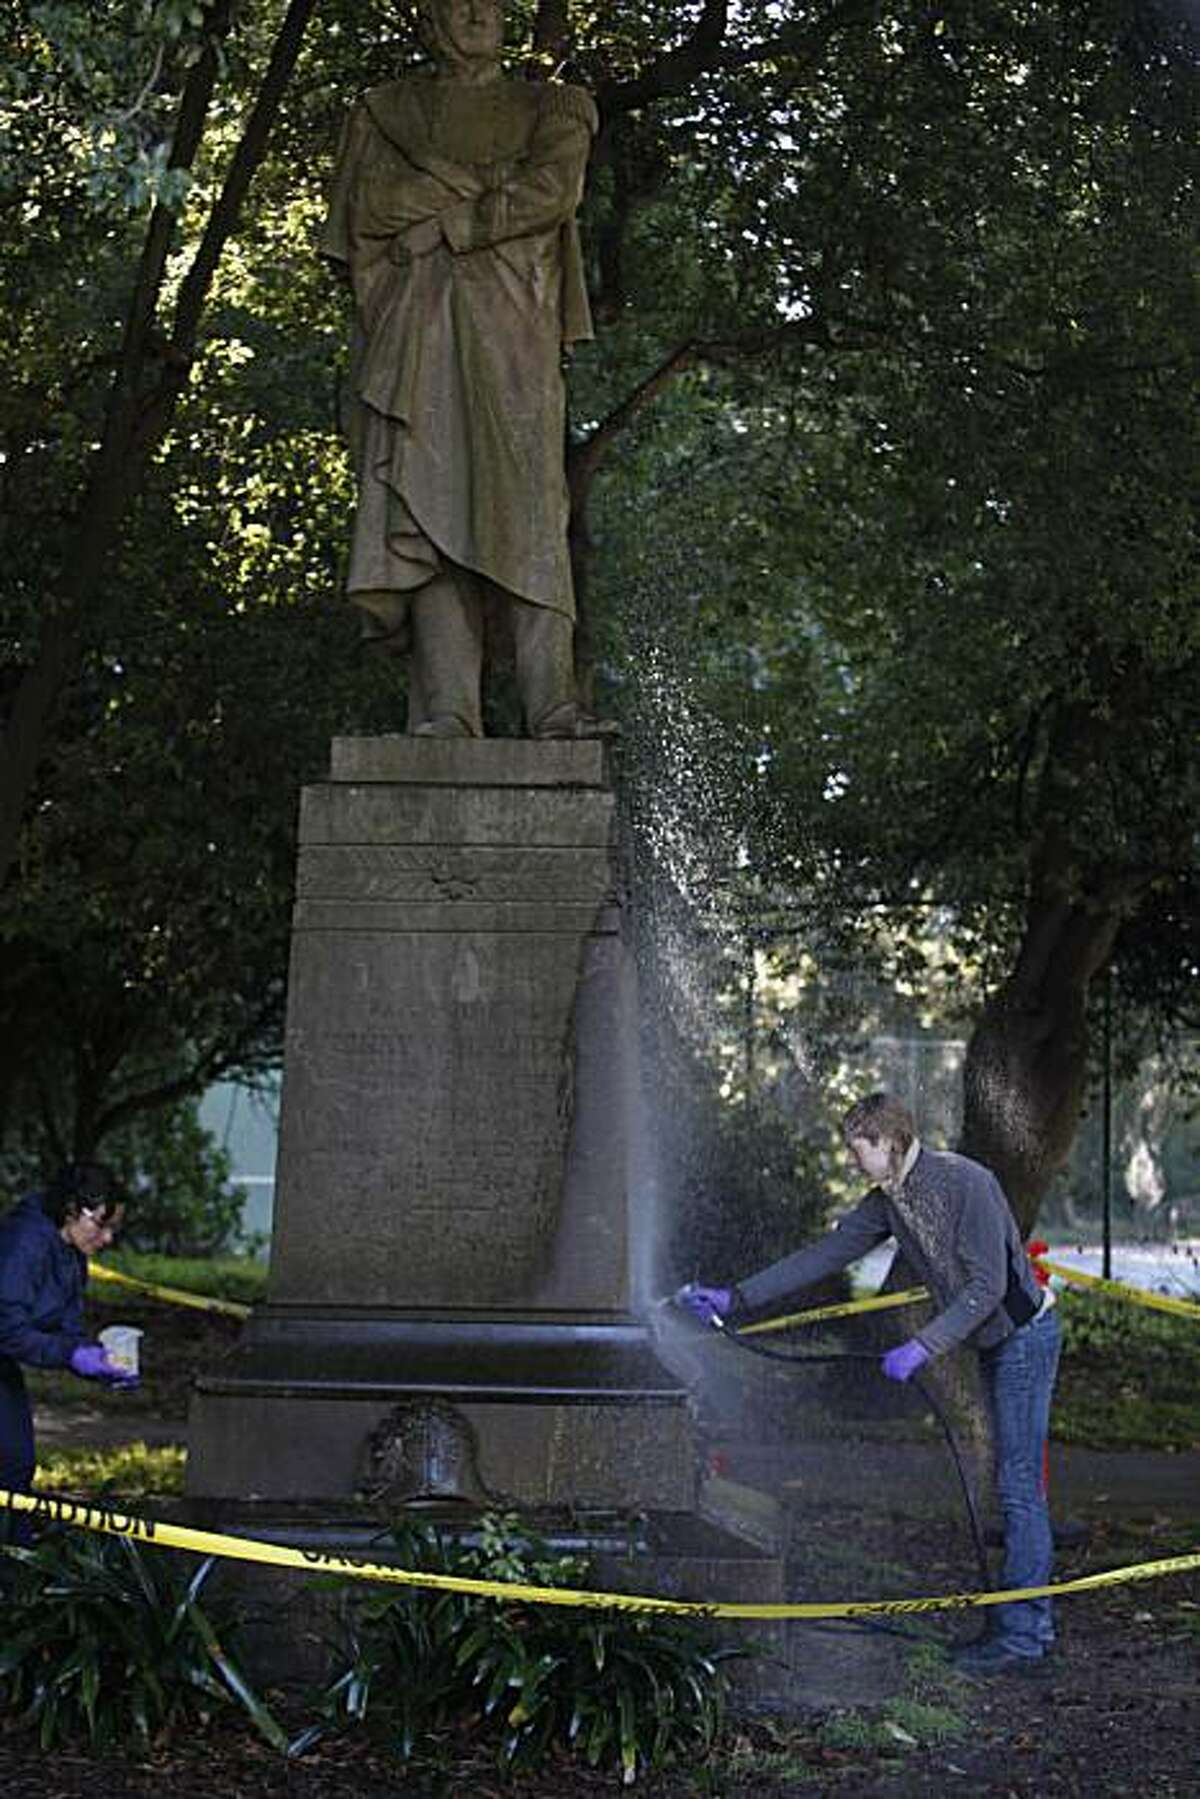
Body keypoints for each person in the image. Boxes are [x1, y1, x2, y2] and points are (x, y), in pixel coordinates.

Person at [678, 1092, 1062, 1676]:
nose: (854, 1164)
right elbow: (825, 1255)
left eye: (860, 1152)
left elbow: (985, 1289)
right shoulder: (890, 1202)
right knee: (1008, 1484)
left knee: (1015, 1487)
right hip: (991, 1342)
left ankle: (1025, 1638)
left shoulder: (967, 1184)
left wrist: (921, 1345)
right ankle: (1021, 1624)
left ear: (891, 1143)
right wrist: (738, 1296)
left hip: (1025, 1340)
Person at [322, 0, 614, 741]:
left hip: (517, 339)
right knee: (428, 505)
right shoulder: (387, 114)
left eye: (492, 0)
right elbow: (372, 207)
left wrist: (450, 222)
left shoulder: (554, 106)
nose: (479, 12)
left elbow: (553, 191)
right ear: (431, 21)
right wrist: (485, 192)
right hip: (417, 339)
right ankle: (449, 710)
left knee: (531, 512)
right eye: (459, 2)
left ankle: (554, 707)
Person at [0, 1164, 138, 1542]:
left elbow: (66, 1327)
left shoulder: (71, 1253)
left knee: (14, 1464)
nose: (108, 1237)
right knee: (10, 1461)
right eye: (102, 1224)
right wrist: (71, 1355)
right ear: (72, 1209)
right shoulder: (24, 1242)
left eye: (114, 1228)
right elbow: (8, 1330)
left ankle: (15, 1573)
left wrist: (97, 1362)